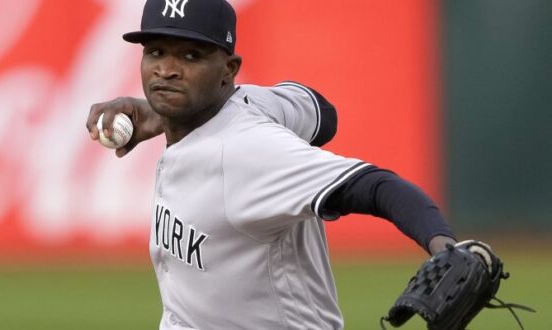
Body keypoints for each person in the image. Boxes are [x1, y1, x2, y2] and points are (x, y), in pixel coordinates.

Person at [86, 0, 457, 329]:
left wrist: (446, 249)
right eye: (156, 52)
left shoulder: (249, 152)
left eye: (191, 56)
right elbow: (321, 113)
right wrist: (159, 112)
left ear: (228, 69)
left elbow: (375, 186)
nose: (166, 70)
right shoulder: (253, 105)